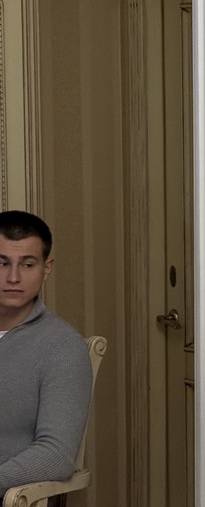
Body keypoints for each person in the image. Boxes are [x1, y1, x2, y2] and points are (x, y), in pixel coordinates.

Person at [0, 211, 92, 502]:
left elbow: (56, 455)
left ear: (46, 269)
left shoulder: (62, 346)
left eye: (27, 264)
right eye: (2, 263)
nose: (13, 277)